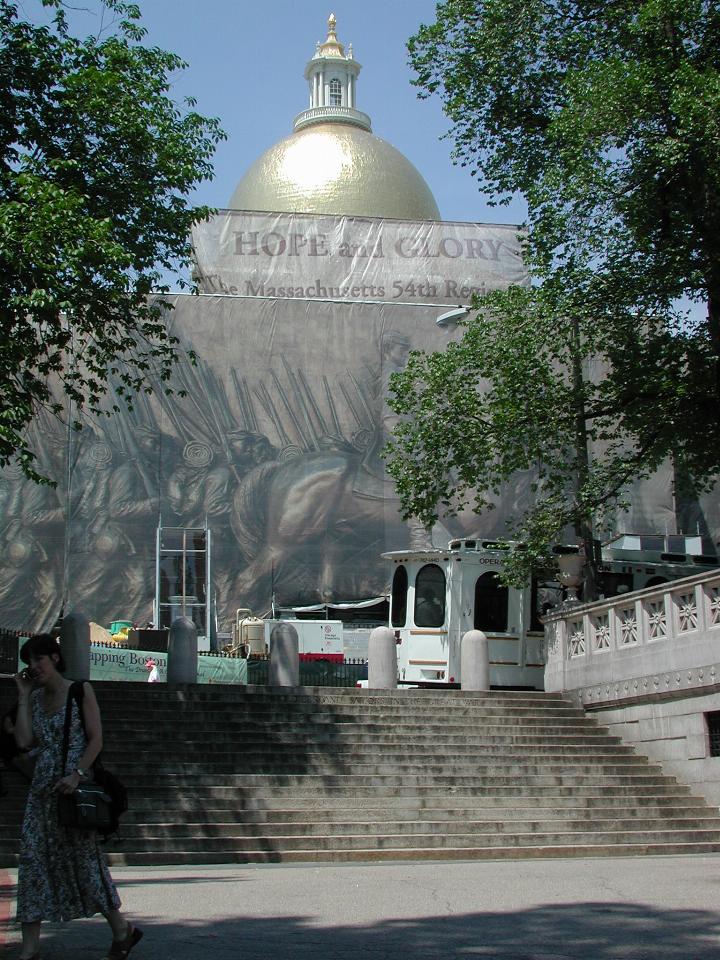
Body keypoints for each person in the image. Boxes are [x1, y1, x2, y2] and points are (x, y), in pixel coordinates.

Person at [13, 634, 143, 960]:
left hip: (74, 790)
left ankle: (122, 930)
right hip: (42, 794)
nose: (33, 667)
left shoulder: (79, 690)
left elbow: (96, 739)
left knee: (85, 866)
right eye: (29, 662)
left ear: (55, 658)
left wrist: (78, 774)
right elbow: (25, 741)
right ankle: (30, 948)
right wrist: (24, 695)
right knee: (32, 865)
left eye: (38, 659)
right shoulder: (37, 697)